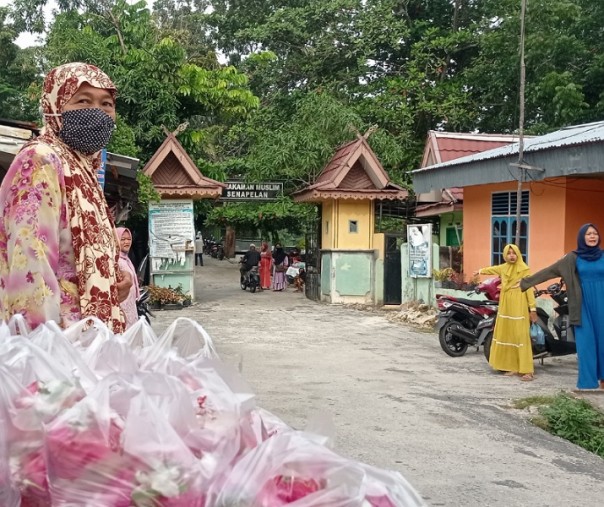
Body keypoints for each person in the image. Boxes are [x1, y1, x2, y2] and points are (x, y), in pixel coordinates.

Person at [0, 62, 130, 332]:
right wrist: (44, 352)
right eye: (83, 100)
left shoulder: (83, 170)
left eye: (107, 104)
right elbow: (29, 266)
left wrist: (116, 279)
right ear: (53, 105)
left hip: (92, 345)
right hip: (62, 349)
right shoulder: (41, 160)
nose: (98, 112)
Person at [520, 223, 604, 391]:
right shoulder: (572, 258)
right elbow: (550, 270)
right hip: (582, 306)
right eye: (588, 234)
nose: (592, 236)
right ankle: (587, 384)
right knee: (586, 343)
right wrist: (526, 282)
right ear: (582, 237)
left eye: (595, 233)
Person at [475, 244, 538, 381]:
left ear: (518, 254)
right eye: (508, 253)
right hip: (506, 304)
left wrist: (532, 308)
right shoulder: (503, 268)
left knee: (521, 336)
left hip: (519, 304)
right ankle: (513, 367)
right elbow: (491, 269)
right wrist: (480, 271)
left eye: (514, 252)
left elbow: (529, 290)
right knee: (508, 334)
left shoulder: (524, 269)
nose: (511, 255)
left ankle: (527, 370)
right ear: (505, 255)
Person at [116, 227, 140, 329]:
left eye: (129, 239)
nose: (127, 242)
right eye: (122, 239)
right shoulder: (116, 260)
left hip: (131, 305)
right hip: (122, 306)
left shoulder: (126, 259)